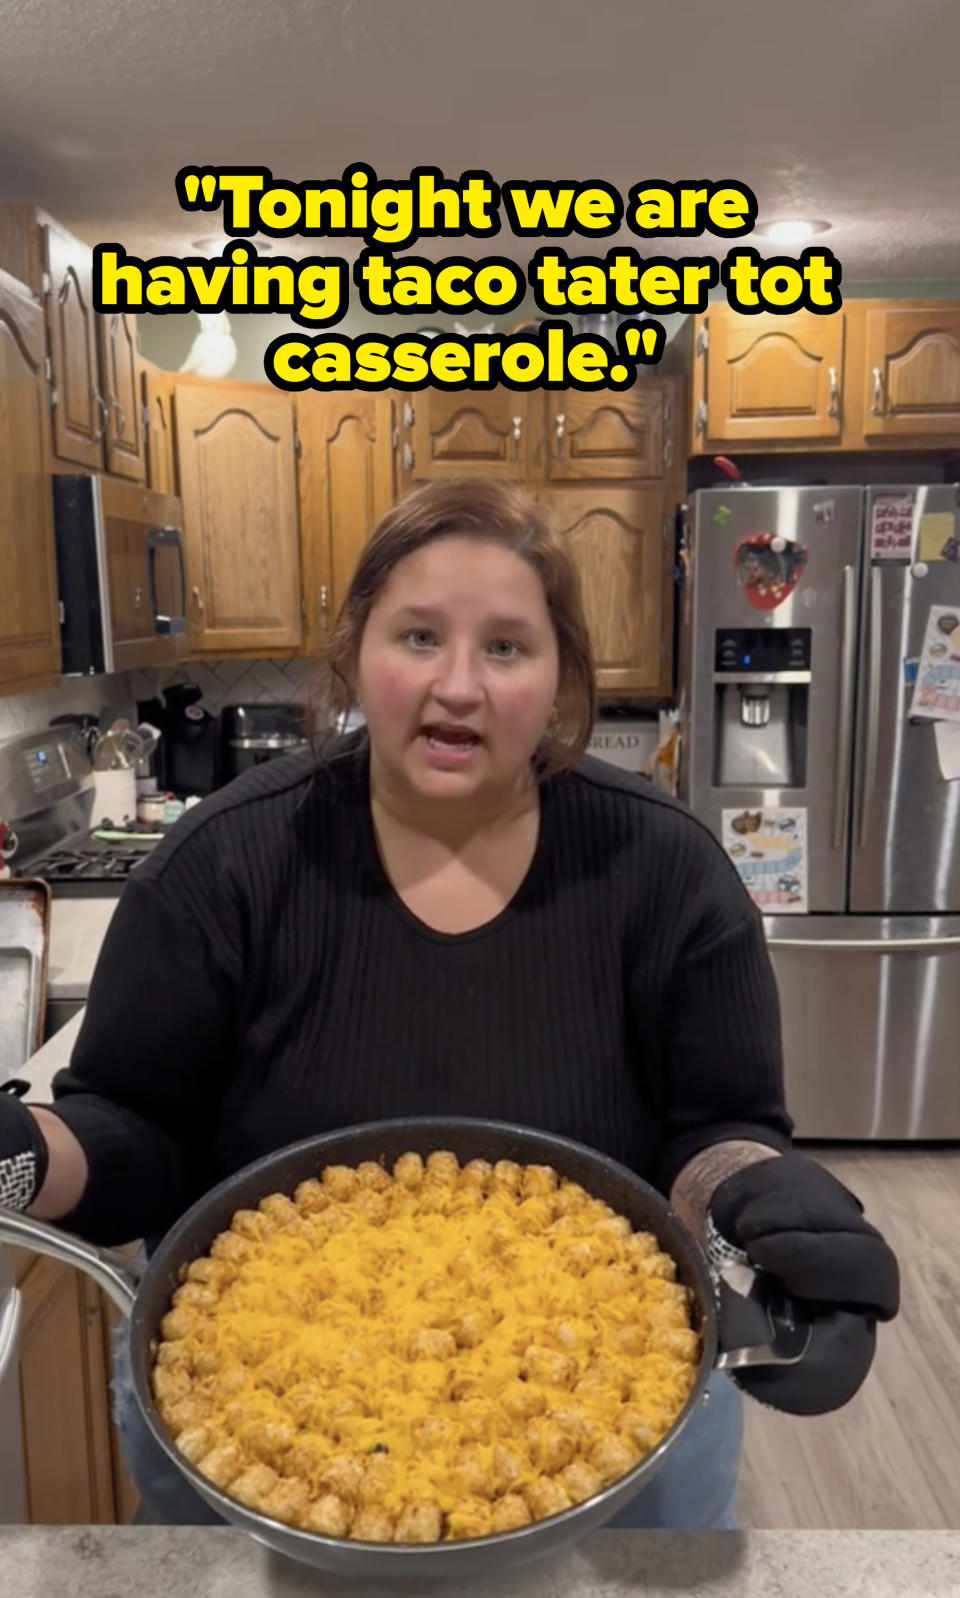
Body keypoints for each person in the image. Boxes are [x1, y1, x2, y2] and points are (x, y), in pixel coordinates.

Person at [0, 479, 898, 1529]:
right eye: (419, 635)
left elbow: (717, 1132)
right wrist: (19, 1149)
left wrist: (766, 1202)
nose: (458, 684)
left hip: (608, 1446)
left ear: (564, 677)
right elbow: (136, 1132)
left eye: (508, 647)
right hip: (263, 1436)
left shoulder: (667, 872)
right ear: (353, 653)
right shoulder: (221, 868)